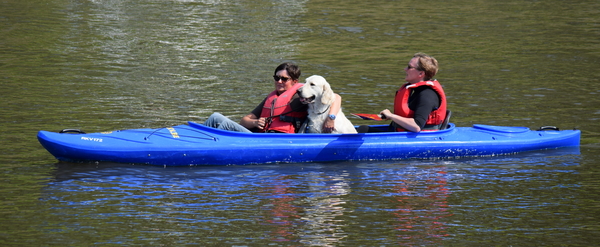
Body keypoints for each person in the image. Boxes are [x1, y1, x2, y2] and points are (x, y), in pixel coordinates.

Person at [204, 62, 342, 133]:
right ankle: (188, 140)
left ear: (294, 81)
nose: (279, 81)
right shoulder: (272, 97)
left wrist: (331, 118)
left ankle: (203, 147)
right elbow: (244, 120)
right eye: (277, 78)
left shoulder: (301, 95)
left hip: (277, 138)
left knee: (226, 125)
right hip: (261, 134)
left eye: (284, 79)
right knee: (215, 117)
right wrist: (255, 123)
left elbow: (335, 97)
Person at [362, 53, 447, 133]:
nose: (405, 69)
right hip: (401, 133)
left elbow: (416, 126)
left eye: (409, 67)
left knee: (363, 130)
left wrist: (391, 116)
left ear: (421, 73)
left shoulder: (427, 94)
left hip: (419, 139)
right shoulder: (417, 91)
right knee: (363, 129)